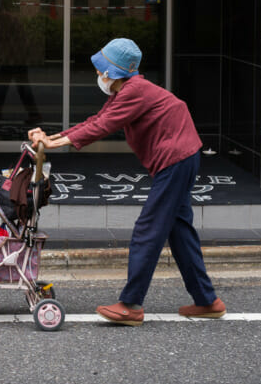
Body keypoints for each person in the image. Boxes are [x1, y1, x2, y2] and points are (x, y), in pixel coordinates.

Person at [27, 37, 225, 326]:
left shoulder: (135, 91)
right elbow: (96, 120)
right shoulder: (127, 91)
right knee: (179, 230)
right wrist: (51, 139)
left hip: (175, 160)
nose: (98, 75)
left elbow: (101, 126)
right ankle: (207, 301)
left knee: (149, 228)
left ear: (112, 72)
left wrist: (53, 145)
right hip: (181, 158)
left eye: (100, 70)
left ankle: (131, 304)